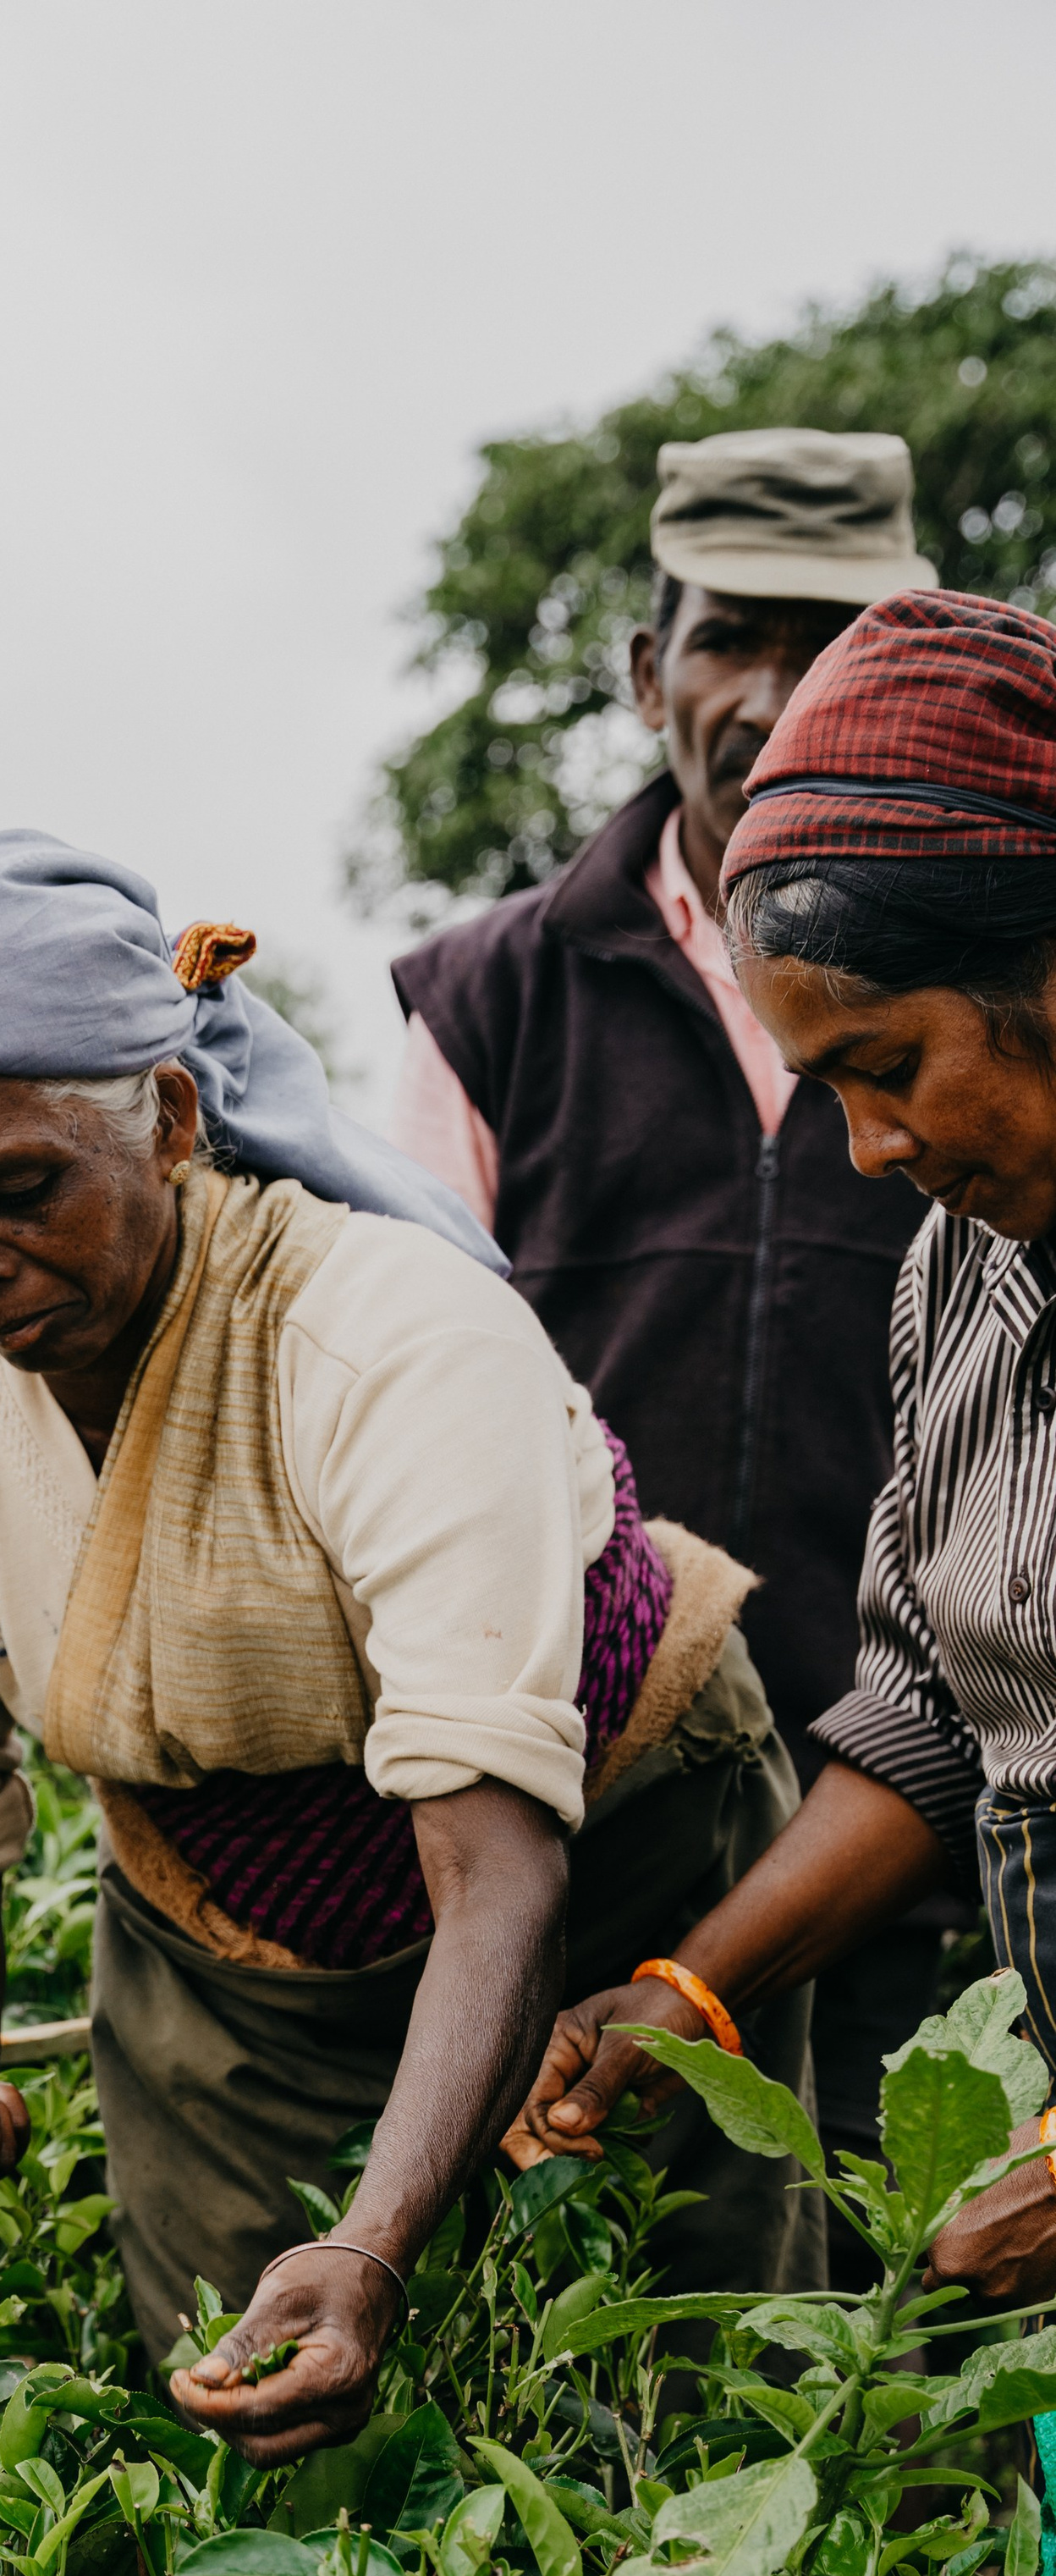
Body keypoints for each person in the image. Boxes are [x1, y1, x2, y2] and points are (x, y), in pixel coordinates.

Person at [0, 830, 820, 2468]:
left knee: (674, 2403)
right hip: (232, 1940)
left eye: (18, 1188)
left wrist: (374, 2243)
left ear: (174, 1122)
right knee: (265, 2439)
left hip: (609, 1854)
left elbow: (496, 1877)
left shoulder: (385, 1343)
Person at [388, 431, 942, 2167]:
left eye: (828, 637)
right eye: (726, 636)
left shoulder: (982, 984)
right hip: (588, 1826)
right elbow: (406, 1398)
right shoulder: (491, 1000)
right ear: (647, 671)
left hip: (924, 1828)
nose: (771, 689)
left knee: (909, 2353)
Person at [512, 588, 1056, 2313]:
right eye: (820, 1086)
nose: (867, 1146)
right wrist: (691, 1993)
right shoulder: (960, 1276)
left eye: (885, 1066)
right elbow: (928, 1722)